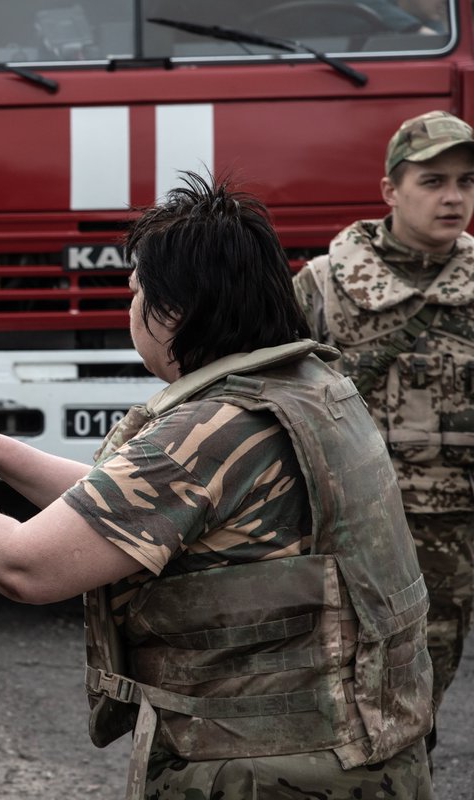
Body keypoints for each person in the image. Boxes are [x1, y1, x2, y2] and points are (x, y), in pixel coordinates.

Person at [0, 173, 435, 799]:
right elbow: (126, 507)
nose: (131, 309)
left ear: (176, 312)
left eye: (136, 293)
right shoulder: (311, 387)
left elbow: (27, 565)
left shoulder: (210, 431)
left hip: (269, 769)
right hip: (365, 752)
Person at [293, 109, 474, 761]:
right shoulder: (322, 287)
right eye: (432, 181)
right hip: (347, 539)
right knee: (340, 702)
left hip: (451, 546)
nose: (453, 197)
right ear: (389, 191)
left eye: (465, 181)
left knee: (420, 706)